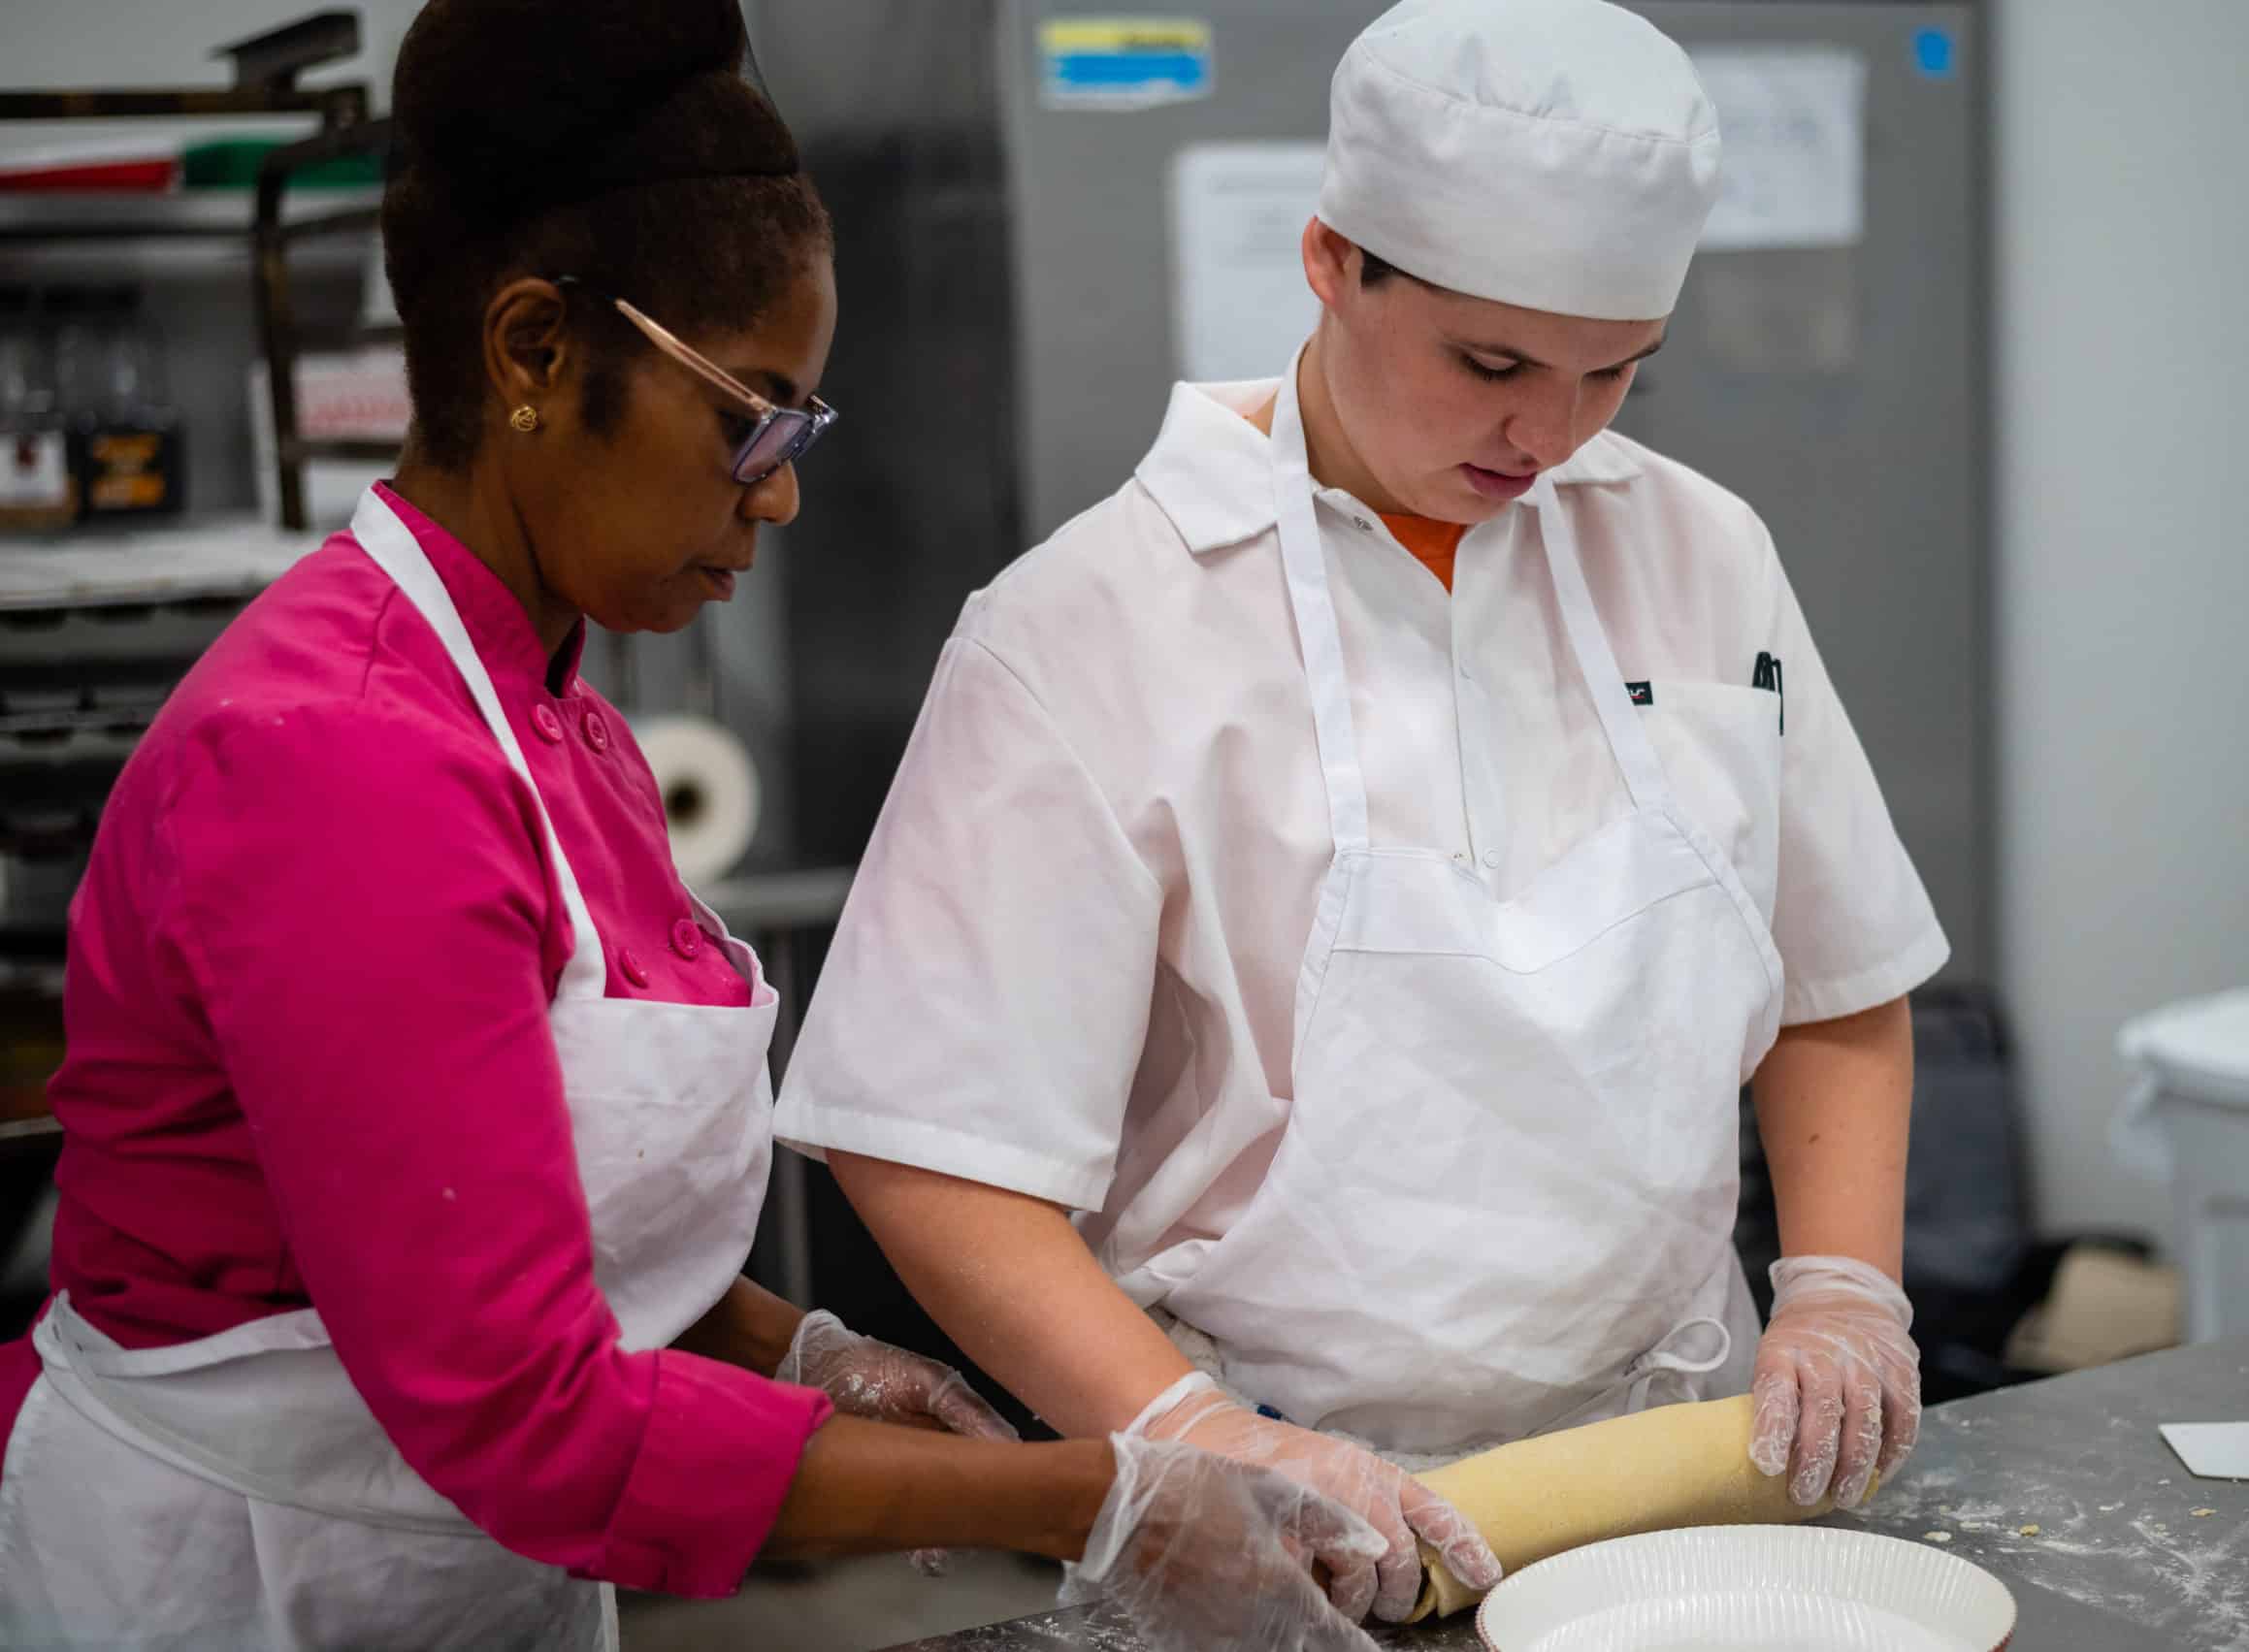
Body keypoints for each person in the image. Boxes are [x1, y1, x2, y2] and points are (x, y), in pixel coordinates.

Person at [0, 5, 1386, 1649]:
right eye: (756, 418)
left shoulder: (552, 717)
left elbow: (503, 1210)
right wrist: (1097, 1499)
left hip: (452, 1566)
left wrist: (787, 1344)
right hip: (233, 1581)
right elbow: (529, 1421)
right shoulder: (341, 766)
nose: (782, 491)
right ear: (529, 352)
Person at [779, 0, 1939, 1624]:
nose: (1548, 433)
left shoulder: (1698, 551)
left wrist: (1835, 1292)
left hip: (1673, 1468)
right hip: (1282, 1526)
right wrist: (1196, 1437)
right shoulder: (1093, 628)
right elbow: (936, 1152)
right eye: (1491, 364)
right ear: (1330, 262)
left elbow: (1834, 979)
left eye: (1613, 373)